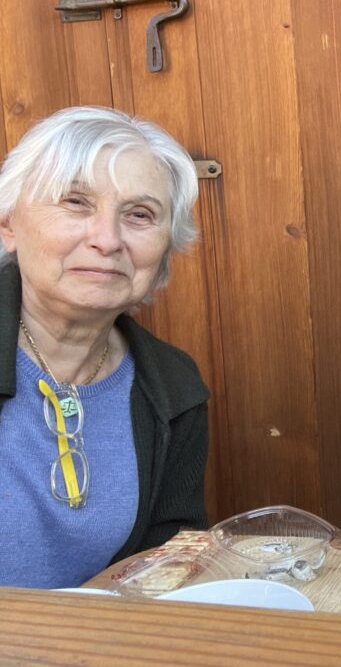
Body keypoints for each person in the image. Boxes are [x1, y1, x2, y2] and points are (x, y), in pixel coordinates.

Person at [0, 106, 209, 590]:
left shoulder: (173, 388)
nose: (107, 240)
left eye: (139, 215)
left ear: (161, 256)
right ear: (9, 224)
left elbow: (165, 565)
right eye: (75, 203)